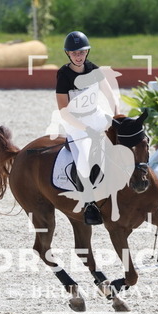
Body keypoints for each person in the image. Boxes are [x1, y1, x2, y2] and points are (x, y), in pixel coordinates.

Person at [55, 31, 120, 225]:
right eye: (74, 53)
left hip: (96, 115)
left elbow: (110, 96)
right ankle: (89, 203)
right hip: (75, 121)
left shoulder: (94, 69)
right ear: (68, 54)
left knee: (122, 139)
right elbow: (63, 110)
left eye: (82, 52)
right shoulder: (64, 74)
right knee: (84, 158)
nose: (78, 56)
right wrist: (86, 129)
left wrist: (117, 116)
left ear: (87, 52)